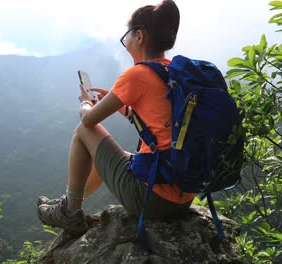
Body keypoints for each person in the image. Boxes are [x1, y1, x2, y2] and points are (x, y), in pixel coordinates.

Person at [37, 0, 195, 236]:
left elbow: (88, 121)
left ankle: (69, 212)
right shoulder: (173, 72)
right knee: (108, 155)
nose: (126, 41)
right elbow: (157, 123)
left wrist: (86, 103)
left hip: (151, 199)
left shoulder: (138, 74)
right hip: (182, 195)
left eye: (128, 35)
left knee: (83, 131)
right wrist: (118, 108)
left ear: (139, 36)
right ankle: (69, 202)